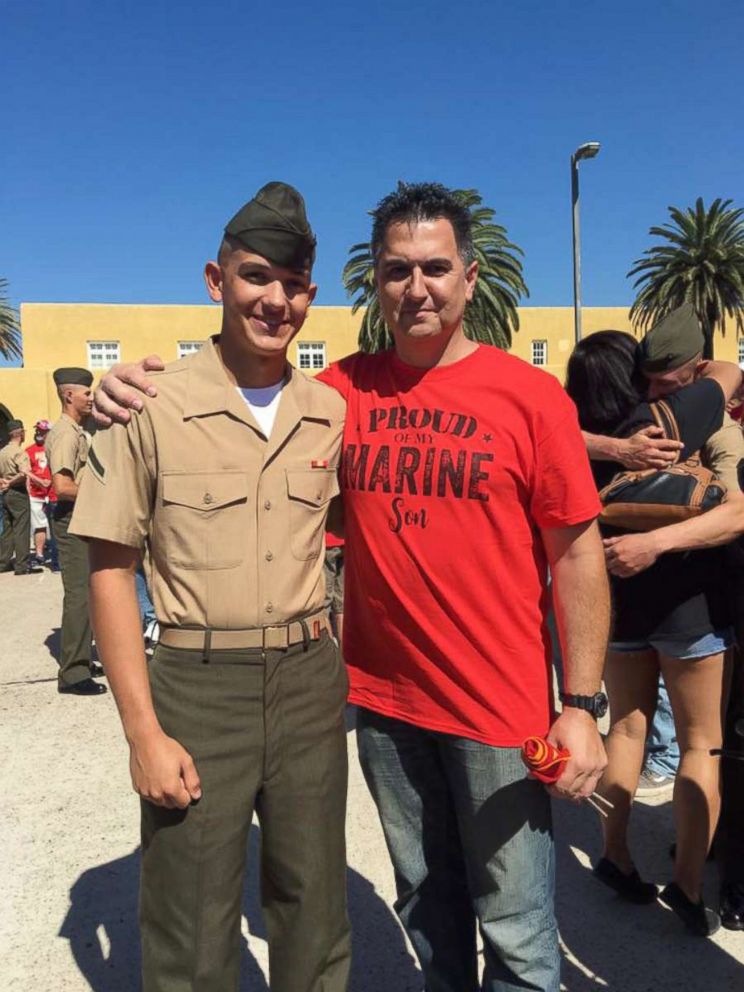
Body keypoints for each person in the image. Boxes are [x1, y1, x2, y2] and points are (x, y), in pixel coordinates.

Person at [95, 181, 609, 992]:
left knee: (517, 931)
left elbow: (579, 557)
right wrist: (112, 392)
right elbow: (238, 398)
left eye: (436, 267)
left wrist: (580, 705)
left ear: (471, 278)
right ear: (374, 282)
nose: (418, 288)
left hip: (501, 715)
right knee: (428, 913)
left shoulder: (531, 397)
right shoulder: (335, 395)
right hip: (385, 712)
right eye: (397, 270)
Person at [71, 183, 350, 992]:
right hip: (197, 687)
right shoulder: (149, 406)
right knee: (189, 928)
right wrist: (141, 735)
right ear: (215, 280)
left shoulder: (328, 409)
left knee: (316, 910)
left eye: (294, 285)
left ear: (311, 293)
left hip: (307, 682)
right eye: (257, 277)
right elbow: (112, 573)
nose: (276, 300)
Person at [565, 324, 743, 936]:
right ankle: (690, 889)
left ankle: (615, 854)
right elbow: (737, 509)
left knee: (627, 727)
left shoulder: (578, 440)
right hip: (692, 605)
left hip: (615, 605)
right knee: (701, 744)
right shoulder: (688, 423)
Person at [46, 369, 106, 696]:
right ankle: (72, 674)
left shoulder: (79, 430)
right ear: (69, 395)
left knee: (91, 594)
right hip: (70, 520)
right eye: (86, 393)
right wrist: (103, 493)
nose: (91, 397)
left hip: (82, 519)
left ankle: (82, 655)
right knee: (79, 596)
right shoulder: (65, 434)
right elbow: (62, 486)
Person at [0, 420, 43, 575]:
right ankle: (22, 565)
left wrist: (4, 482)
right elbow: (24, 473)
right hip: (17, 492)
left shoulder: (3, 452)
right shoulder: (20, 452)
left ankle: (3, 562)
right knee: (21, 528)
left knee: (8, 529)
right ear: (20, 434)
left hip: (5, 494)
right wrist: (11, 482)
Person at [25, 419, 55, 566]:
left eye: (42, 431)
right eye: (37, 430)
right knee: (39, 525)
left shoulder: (55, 447)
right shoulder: (29, 450)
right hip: (36, 495)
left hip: (54, 493)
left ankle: (57, 555)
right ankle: (39, 554)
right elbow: (26, 472)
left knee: (56, 526)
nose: (38, 433)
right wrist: (34, 484)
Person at [324, 532, 345, 642]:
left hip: (325, 542)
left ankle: (330, 654)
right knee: (341, 605)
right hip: (345, 541)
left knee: (323, 605)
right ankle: (344, 656)